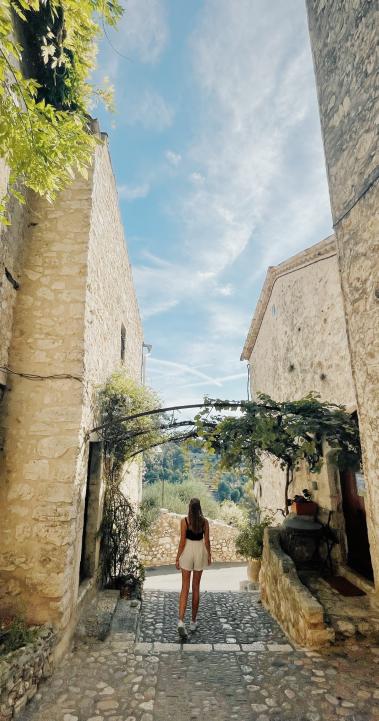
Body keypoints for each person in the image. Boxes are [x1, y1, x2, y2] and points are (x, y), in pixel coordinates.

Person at [175, 497, 211, 639]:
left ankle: (181, 621)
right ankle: (193, 622)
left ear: (190, 508)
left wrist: (177, 557)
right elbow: (207, 541)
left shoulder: (184, 521)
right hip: (200, 552)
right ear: (200, 507)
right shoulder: (205, 522)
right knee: (196, 587)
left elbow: (182, 542)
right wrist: (209, 556)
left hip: (188, 552)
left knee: (185, 587)